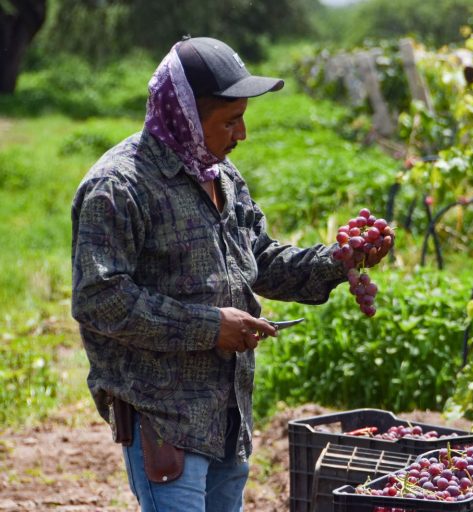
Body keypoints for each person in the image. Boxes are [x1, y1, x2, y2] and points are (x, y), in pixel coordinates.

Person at [70, 36, 392, 511]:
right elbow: (99, 299)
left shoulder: (221, 176)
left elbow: (257, 259)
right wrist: (210, 327)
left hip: (227, 413)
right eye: (229, 121)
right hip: (166, 418)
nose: (241, 135)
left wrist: (338, 261)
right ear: (182, 115)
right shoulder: (119, 187)